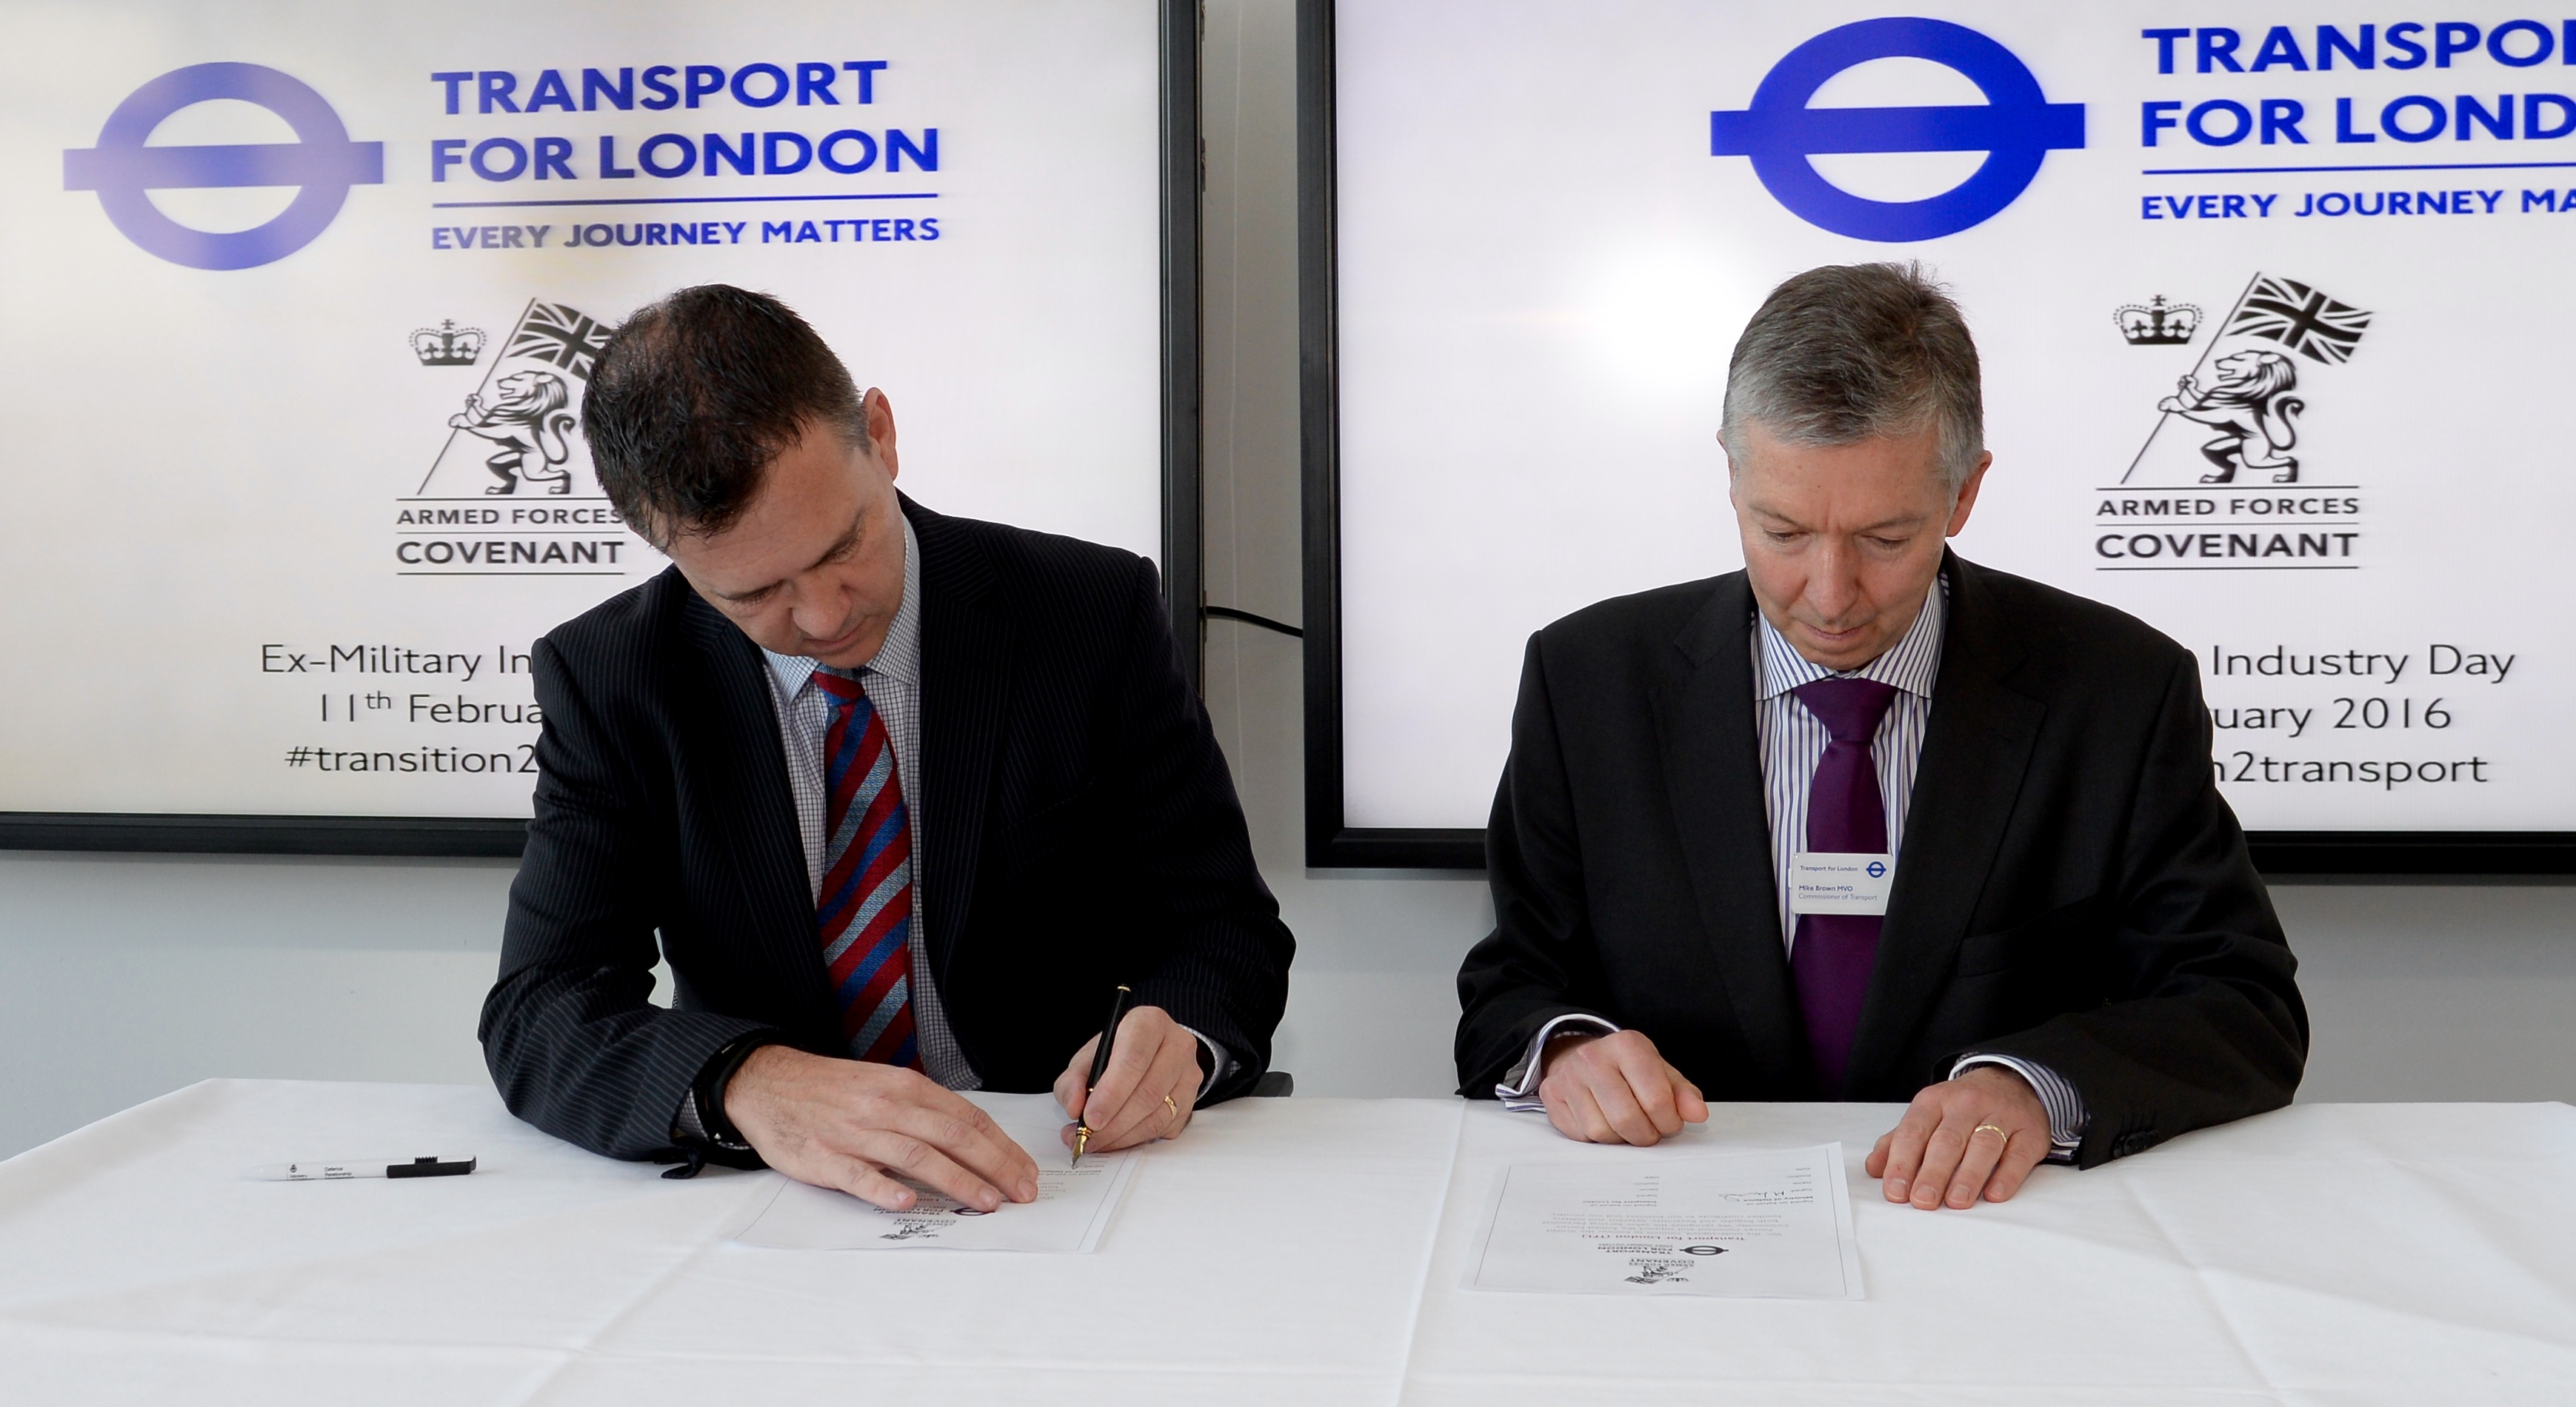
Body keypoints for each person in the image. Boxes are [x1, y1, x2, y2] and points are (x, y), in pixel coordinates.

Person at [1454, 263, 2306, 1211]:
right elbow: (1512, 984)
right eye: (1782, 531)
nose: (1827, 594)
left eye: (1886, 540)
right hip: (1678, 1220)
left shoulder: (2116, 690)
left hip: (2000, 1229)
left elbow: (2241, 1006)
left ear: (1965, 495)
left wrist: (2035, 1086)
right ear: (1732, 480)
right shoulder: (1588, 680)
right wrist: (1564, 1050)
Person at [481, 286, 1293, 1215]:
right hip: (781, 1195)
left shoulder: (1086, 613)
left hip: (1066, 1171)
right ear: (659, 544)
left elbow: (1219, 924)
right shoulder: (613, 676)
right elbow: (539, 1009)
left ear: (881, 433)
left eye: (845, 544)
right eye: (755, 595)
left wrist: (1180, 1034)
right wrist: (745, 1083)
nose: (824, 617)